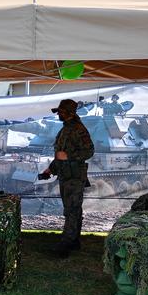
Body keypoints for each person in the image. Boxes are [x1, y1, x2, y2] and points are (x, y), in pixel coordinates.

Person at [39, 99, 94, 258]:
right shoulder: (66, 129)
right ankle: (74, 240)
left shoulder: (78, 129)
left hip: (74, 176)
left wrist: (69, 156)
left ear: (69, 113)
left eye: (61, 112)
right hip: (66, 175)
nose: (58, 114)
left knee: (72, 210)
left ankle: (66, 244)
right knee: (73, 209)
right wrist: (51, 169)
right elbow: (60, 155)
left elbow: (89, 151)